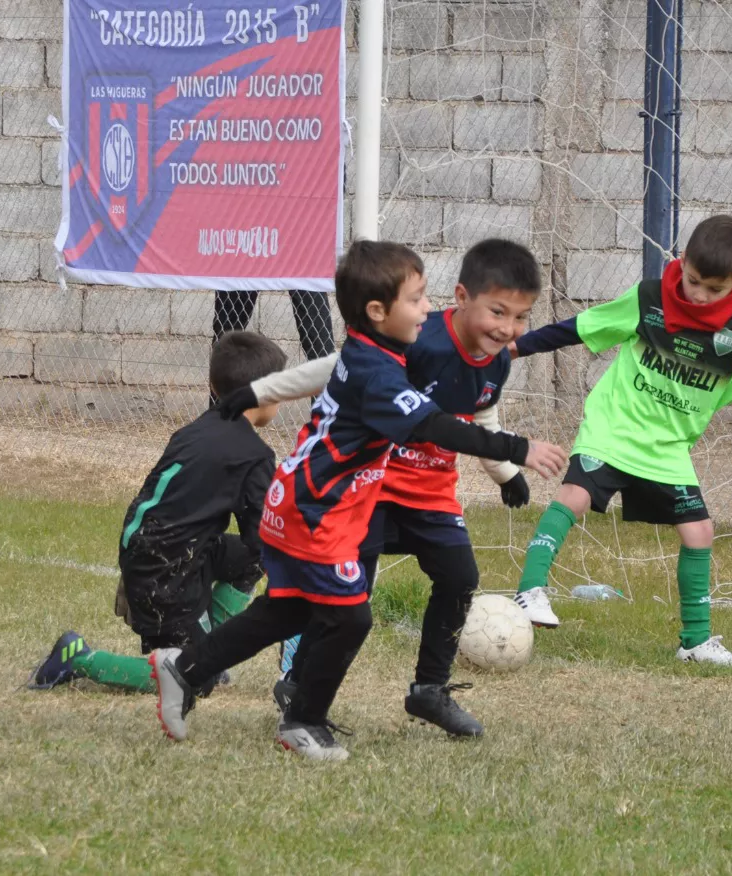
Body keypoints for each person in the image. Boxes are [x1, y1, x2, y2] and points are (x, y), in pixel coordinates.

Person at [150, 240, 567, 761]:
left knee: (294, 609)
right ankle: (302, 718)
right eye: (416, 299)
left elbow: (455, 408)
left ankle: (185, 670)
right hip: (319, 507)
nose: (425, 309)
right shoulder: (382, 372)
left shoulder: (378, 352)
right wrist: (519, 450)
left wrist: (258, 393)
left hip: (313, 499)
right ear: (378, 311)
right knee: (349, 617)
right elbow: (436, 424)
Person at [510, 215, 732, 665]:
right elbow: (581, 327)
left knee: (699, 532)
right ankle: (529, 591)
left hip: (666, 449)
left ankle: (694, 642)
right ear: (682, 263)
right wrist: (518, 347)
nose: (698, 294)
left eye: (713, 289)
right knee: (575, 496)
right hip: (615, 425)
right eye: (694, 280)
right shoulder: (649, 299)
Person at [27, 331, 287, 694]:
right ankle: (79, 658)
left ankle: (204, 642)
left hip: (158, 556)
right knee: (195, 681)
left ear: (213, 384)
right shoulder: (253, 455)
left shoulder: (194, 431)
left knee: (246, 561)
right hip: (166, 580)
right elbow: (267, 538)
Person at [214, 288, 335, 362]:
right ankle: (221, 402)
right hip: (249, 251)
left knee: (320, 343)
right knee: (227, 336)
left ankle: (327, 401)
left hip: (301, 249)